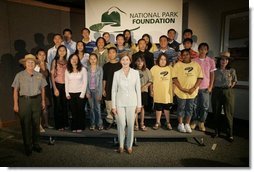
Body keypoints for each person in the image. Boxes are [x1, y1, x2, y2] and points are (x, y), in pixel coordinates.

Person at [12, 54, 47, 156]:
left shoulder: (39, 75)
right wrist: (15, 104)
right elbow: (15, 90)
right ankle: (28, 146)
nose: (30, 64)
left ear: (34, 64)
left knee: (36, 124)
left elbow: (43, 89)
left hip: (37, 100)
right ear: (25, 64)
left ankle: (36, 144)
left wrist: (43, 101)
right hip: (24, 101)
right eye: (28, 62)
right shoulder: (19, 75)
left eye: (32, 62)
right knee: (25, 124)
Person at [112, 54, 141, 154]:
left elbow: (138, 90)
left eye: (127, 59)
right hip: (119, 103)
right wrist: (113, 106)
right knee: (121, 124)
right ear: (120, 61)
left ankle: (129, 145)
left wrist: (139, 105)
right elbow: (113, 90)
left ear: (130, 61)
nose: (125, 61)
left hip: (132, 102)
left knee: (130, 125)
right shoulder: (116, 73)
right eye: (123, 59)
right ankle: (121, 145)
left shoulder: (135, 73)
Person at [173, 49, 203, 133]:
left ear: (190, 55)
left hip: (192, 92)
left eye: (187, 54)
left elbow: (200, 78)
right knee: (181, 108)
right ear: (181, 56)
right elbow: (174, 79)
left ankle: (187, 124)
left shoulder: (196, 65)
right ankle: (180, 124)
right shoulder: (177, 65)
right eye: (183, 55)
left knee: (190, 108)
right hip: (181, 91)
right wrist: (182, 88)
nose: (185, 56)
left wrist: (193, 88)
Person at [212, 51, 237, 142]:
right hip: (217, 92)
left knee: (229, 113)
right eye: (222, 60)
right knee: (216, 112)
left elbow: (234, 81)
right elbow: (212, 81)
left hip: (228, 92)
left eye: (226, 60)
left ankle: (230, 134)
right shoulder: (215, 70)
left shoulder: (232, 70)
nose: (224, 61)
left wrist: (231, 86)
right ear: (219, 61)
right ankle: (216, 131)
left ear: (228, 61)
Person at [191, 43, 216, 131]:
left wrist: (211, 86)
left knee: (205, 106)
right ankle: (194, 121)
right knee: (194, 106)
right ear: (198, 50)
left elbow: (212, 74)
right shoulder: (194, 60)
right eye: (201, 49)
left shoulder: (211, 61)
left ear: (207, 50)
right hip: (195, 87)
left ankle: (201, 122)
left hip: (205, 87)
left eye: (205, 49)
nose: (203, 51)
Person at [150, 53, 174, 130]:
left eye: (164, 59)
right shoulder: (154, 68)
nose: (163, 61)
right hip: (157, 92)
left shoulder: (170, 68)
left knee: (167, 108)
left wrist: (173, 91)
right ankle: (158, 122)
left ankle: (168, 122)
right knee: (158, 108)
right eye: (161, 59)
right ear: (158, 60)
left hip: (167, 93)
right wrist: (151, 91)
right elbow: (151, 82)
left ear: (167, 60)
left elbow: (174, 81)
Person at [65, 54, 87, 132]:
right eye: (72, 59)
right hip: (71, 93)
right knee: (73, 111)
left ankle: (80, 126)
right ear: (70, 60)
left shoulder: (83, 69)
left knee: (80, 111)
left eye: (76, 59)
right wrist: (67, 93)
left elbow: (85, 82)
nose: (74, 60)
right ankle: (74, 127)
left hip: (80, 93)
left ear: (78, 60)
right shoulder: (67, 70)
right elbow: (66, 82)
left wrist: (82, 94)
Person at [102, 47, 122, 129]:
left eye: (113, 52)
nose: (111, 54)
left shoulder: (120, 65)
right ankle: (110, 121)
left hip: (118, 89)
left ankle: (117, 122)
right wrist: (103, 89)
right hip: (108, 88)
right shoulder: (106, 66)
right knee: (109, 106)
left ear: (116, 53)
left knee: (118, 106)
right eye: (109, 52)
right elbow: (104, 79)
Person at [50, 45, 69, 131]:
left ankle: (65, 123)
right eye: (60, 50)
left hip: (66, 86)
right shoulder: (55, 61)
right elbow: (52, 75)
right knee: (57, 106)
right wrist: (54, 88)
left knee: (65, 106)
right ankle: (59, 125)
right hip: (57, 85)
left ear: (66, 52)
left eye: (63, 50)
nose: (62, 52)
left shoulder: (68, 61)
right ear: (57, 51)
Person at [35, 49, 53, 132]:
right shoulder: (35, 65)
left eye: (44, 55)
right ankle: (39, 125)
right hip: (38, 89)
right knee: (39, 107)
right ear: (37, 56)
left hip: (47, 88)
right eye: (40, 54)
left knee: (45, 106)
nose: (42, 56)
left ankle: (46, 123)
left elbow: (50, 77)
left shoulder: (47, 64)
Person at [134, 57, 152, 131]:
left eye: (141, 61)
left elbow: (150, 81)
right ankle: (136, 124)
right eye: (138, 61)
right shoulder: (133, 70)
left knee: (141, 108)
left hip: (144, 91)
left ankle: (142, 123)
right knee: (135, 108)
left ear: (144, 62)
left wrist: (143, 87)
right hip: (135, 92)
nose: (140, 63)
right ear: (136, 62)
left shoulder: (146, 70)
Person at [86, 53, 104, 131]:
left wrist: (100, 93)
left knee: (98, 108)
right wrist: (87, 92)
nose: (93, 60)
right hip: (89, 90)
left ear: (97, 60)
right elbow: (85, 81)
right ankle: (92, 124)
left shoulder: (100, 68)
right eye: (91, 59)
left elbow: (101, 81)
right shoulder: (87, 68)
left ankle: (99, 124)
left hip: (97, 91)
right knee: (92, 108)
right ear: (89, 60)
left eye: (94, 59)